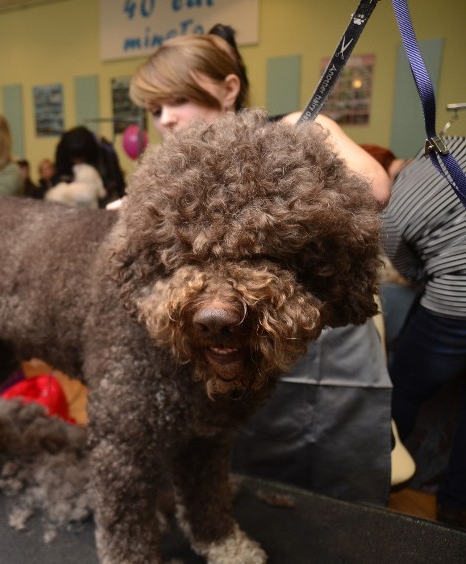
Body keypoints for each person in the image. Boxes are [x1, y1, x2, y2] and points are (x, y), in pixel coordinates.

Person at [128, 25, 393, 504]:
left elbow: (374, 187)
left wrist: (300, 164)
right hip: (229, 353)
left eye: (178, 100)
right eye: (154, 109)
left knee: (333, 485)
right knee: (248, 479)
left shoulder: (296, 129)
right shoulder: (171, 174)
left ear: (229, 89)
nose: (165, 119)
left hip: (322, 351)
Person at [382, 137, 466, 527]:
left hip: (454, 305)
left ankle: (380, 478)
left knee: (402, 387)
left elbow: (411, 271)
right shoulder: (453, 145)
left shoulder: (391, 213)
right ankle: (455, 505)